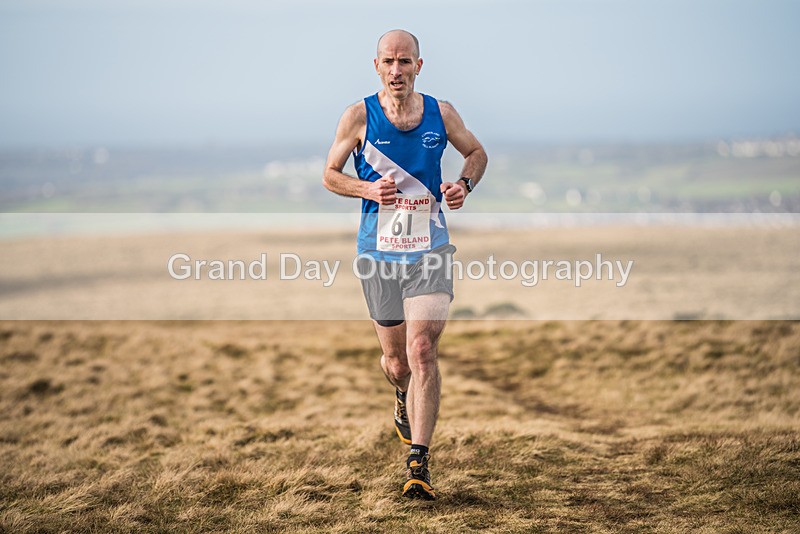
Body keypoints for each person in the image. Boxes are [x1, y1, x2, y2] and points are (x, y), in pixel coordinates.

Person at [322, 29, 487, 500]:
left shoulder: (441, 113)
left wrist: (463, 186)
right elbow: (329, 175)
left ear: (419, 66)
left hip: (429, 250)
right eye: (389, 61)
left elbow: (476, 153)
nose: (397, 70)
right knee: (397, 364)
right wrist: (367, 189)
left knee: (421, 350)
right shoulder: (358, 117)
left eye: (405, 62)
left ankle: (419, 462)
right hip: (377, 255)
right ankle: (401, 395)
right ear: (377, 66)